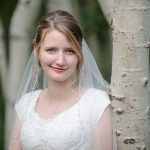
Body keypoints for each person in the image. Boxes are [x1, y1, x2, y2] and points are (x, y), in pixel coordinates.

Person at [9, 10, 113, 150]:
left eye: (69, 51)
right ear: (37, 51)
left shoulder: (97, 103)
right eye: (51, 50)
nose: (60, 61)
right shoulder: (25, 105)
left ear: (79, 54)